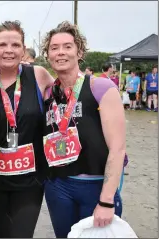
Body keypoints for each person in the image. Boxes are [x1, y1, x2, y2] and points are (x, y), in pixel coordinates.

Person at [41, 21, 125, 238]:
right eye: (54, 47)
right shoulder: (49, 93)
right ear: (48, 54)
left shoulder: (101, 88)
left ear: (79, 52)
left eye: (68, 46)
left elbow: (117, 149)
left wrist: (106, 200)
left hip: (94, 186)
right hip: (57, 186)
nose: (61, 52)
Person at [0, 20, 55, 238]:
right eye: (3, 45)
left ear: (24, 49)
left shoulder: (38, 75)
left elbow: (68, 96)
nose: (9, 51)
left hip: (30, 180)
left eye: (15, 45)